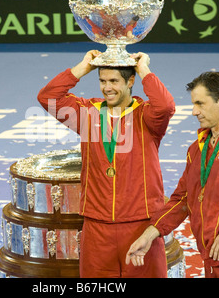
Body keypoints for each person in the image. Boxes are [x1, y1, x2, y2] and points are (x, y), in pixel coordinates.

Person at [125, 71, 219, 278]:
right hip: (211, 250)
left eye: (200, 103)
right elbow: (182, 199)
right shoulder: (198, 149)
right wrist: (149, 234)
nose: (194, 111)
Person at [37, 50, 175, 277]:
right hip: (97, 226)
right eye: (102, 81)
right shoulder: (87, 114)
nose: (107, 87)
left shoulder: (147, 117)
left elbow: (165, 106)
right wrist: (82, 68)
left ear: (131, 81)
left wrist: (143, 70)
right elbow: (48, 98)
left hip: (140, 224)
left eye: (114, 81)